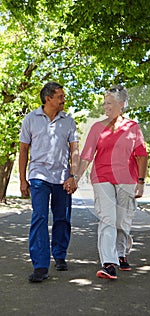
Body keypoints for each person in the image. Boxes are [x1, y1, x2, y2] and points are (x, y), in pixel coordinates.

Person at [75, 84, 148, 280]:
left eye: (110, 103)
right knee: (107, 218)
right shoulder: (97, 127)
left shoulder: (133, 127)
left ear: (121, 104)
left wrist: (141, 182)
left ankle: (121, 252)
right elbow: (86, 156)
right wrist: (75, 178)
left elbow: (141, 155)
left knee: (122, 221)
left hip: (127, 179)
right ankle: (108, 263)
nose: (105, 106)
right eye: (105, 102)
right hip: (102, 177)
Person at [19, 81, 79, 282]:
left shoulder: (68, 121)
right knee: (40, 217)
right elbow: (23, 150)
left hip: (62, 177)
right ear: (48, 99)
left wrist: (73, 176)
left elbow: (75, 151)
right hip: (38, 176)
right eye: (60, 96)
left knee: (62, 218)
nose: (64, 100)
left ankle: (60, 255)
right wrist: (22, 180)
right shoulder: (31, 119)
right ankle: (40, 266)